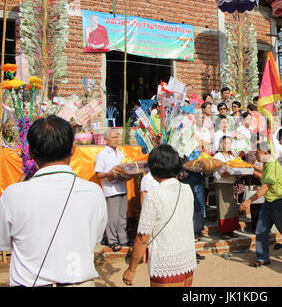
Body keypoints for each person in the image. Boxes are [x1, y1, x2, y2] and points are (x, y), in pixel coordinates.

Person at [0, 115, 107, 287]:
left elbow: (4, 241)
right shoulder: (94, 192)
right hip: (79, 282)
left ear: (31, 153)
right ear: (73, 149)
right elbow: (96, 237)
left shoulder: (13, 194)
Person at [122, 144, 197, 287]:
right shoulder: (187, 189)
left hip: (165, 263)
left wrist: (131, 269)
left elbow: (143, 237)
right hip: (187, 260)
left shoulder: (153, 196)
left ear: (155, 166)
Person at [95, 129, 130, 252]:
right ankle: (112, 240)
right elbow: (98, 174)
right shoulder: (102, 154)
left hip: (122, 187)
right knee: (113, 217)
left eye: (117, 137)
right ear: (106, 140)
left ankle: (123, 238)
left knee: (122, 216)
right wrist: (109, 174)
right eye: (113, 137)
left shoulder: (121, 153)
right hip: (111, 189)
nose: (116, 139)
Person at [213, 136, 240, 239]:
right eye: (226, 143)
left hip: (230, 183)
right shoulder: (217, 156)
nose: (228, 145)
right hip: (221, 183)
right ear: (221, 145)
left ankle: (231, 229)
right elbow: (213, 170)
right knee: (223, 207)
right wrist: (221, 175)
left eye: (229, 143)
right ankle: (224, 231)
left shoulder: (232, 157)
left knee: (231, 207)